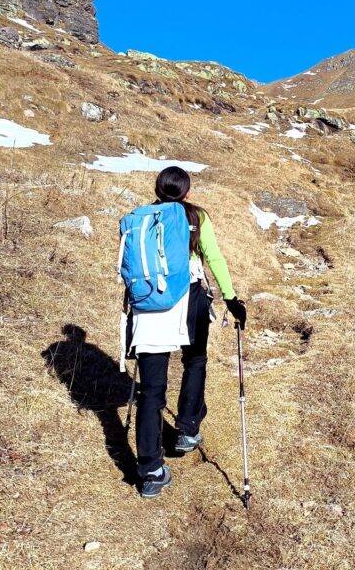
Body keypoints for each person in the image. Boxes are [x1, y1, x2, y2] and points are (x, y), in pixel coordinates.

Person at [127, 166, 247, 498]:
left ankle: (150, 470)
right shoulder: (196, 217)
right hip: (191, 296)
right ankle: (187, 428)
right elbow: (214, 258)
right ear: (187, 192)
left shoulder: (142, 218)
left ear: (158, 189)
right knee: (195, 361)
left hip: (150, 303)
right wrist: (231, 297)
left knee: (151, 391)